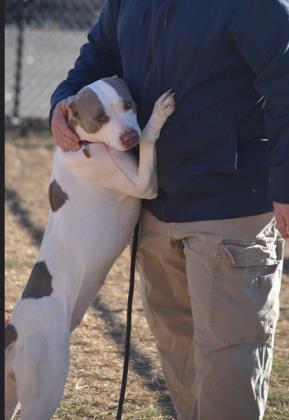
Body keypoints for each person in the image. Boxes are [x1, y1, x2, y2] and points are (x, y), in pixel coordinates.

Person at [50, 1, 289, 419]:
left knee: (228, 368)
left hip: (231, 208)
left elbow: (285, 80)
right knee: (180, 359)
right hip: (156, 208)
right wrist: (64, 100)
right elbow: (101, 53)